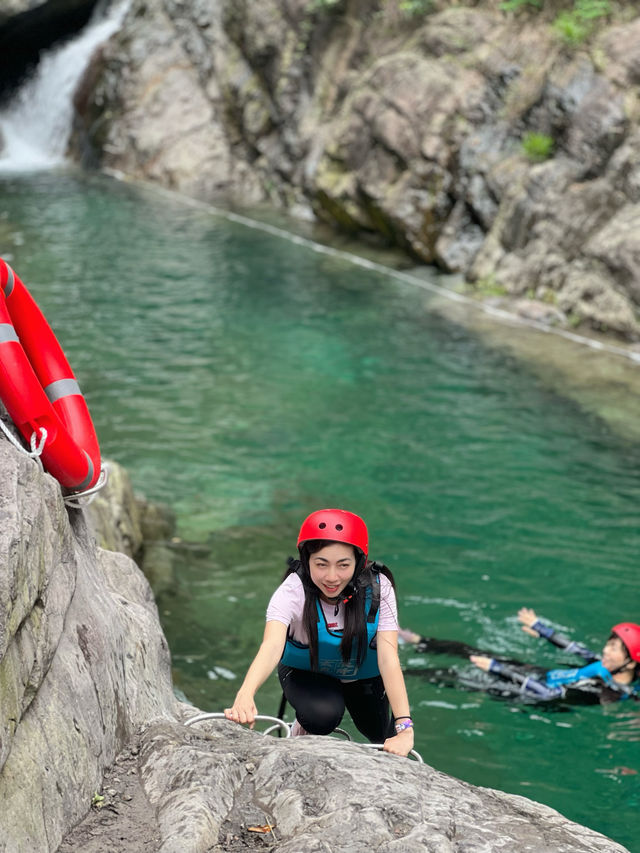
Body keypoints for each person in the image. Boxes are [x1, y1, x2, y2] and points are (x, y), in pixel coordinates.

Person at [224, 509, 415, 756]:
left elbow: (388, 657)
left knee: (383, 737)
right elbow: (271, 646)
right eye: (321, 564)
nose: (332, 577)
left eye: (343, 565)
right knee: (322, 716)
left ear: (359, 562)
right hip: (309, 673)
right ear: (306, 561)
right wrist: (245, 695)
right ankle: (301, 727)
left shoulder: (380, 589)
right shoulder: (292, 591)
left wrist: (405, 728)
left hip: (362, 676)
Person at [400, 609, 640, 705]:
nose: (607, 650)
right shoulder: (606, 664)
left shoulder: (607, 691)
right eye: (610, 644)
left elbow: (548, 695)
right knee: (472, 651)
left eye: (616, 648)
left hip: (531, 691)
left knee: (455, 676)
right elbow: (577, 650)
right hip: (540, 674)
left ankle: (399, 674)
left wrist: (497, 669)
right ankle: (422, 642)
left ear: (630, 662)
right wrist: (541, 629)